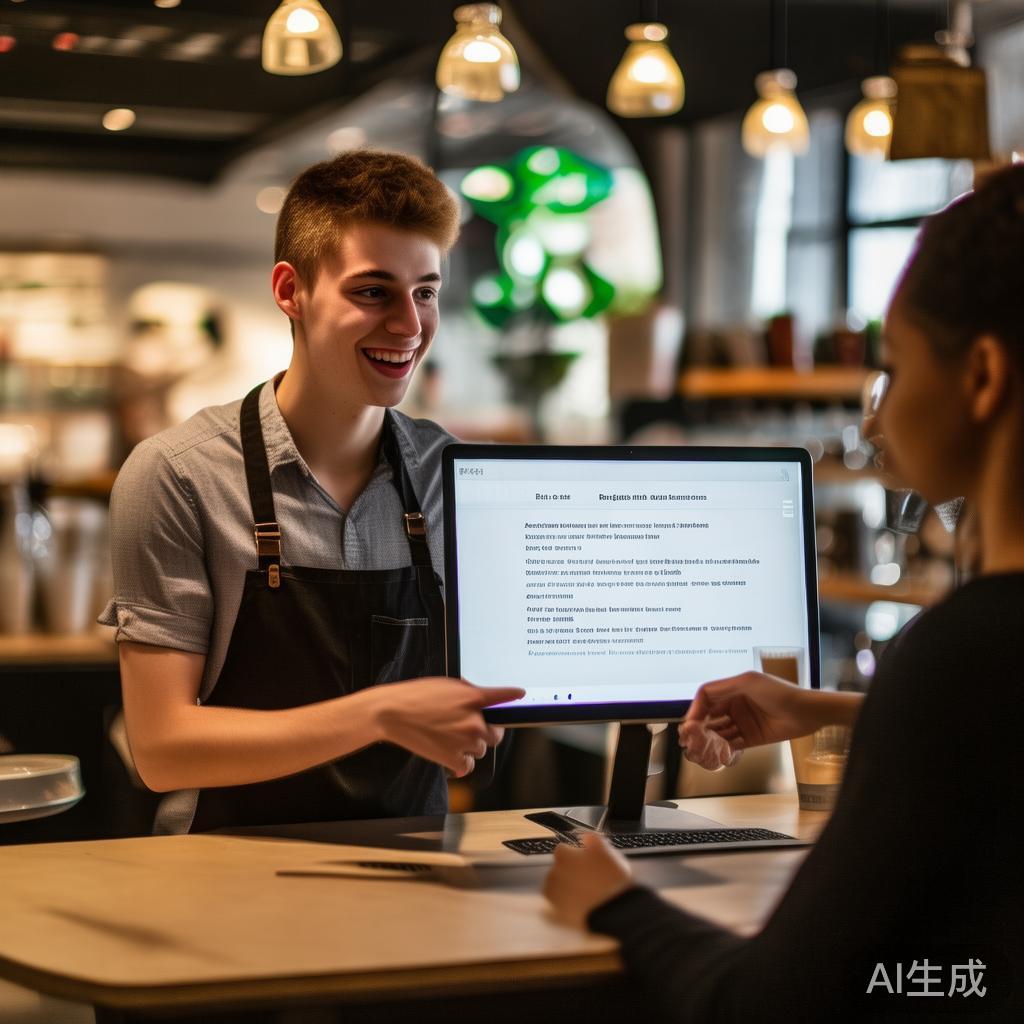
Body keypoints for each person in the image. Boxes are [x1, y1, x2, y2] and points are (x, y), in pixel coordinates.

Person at [544, 164, 1024, 1021]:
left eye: (896, 369)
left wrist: (612, 903)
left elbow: (773, 1002)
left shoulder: (965, 650)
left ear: (983, 378)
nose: (874, 421)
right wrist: (829, 708)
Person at [100, 151, 523, 834]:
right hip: (220, 870)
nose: (410, 327)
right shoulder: (177, 476)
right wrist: (380, 715)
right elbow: (161, 750)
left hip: (414, 866)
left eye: (425, 291)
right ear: (290, 290)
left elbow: (522, 677)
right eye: (373, 291)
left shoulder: (460, 478)